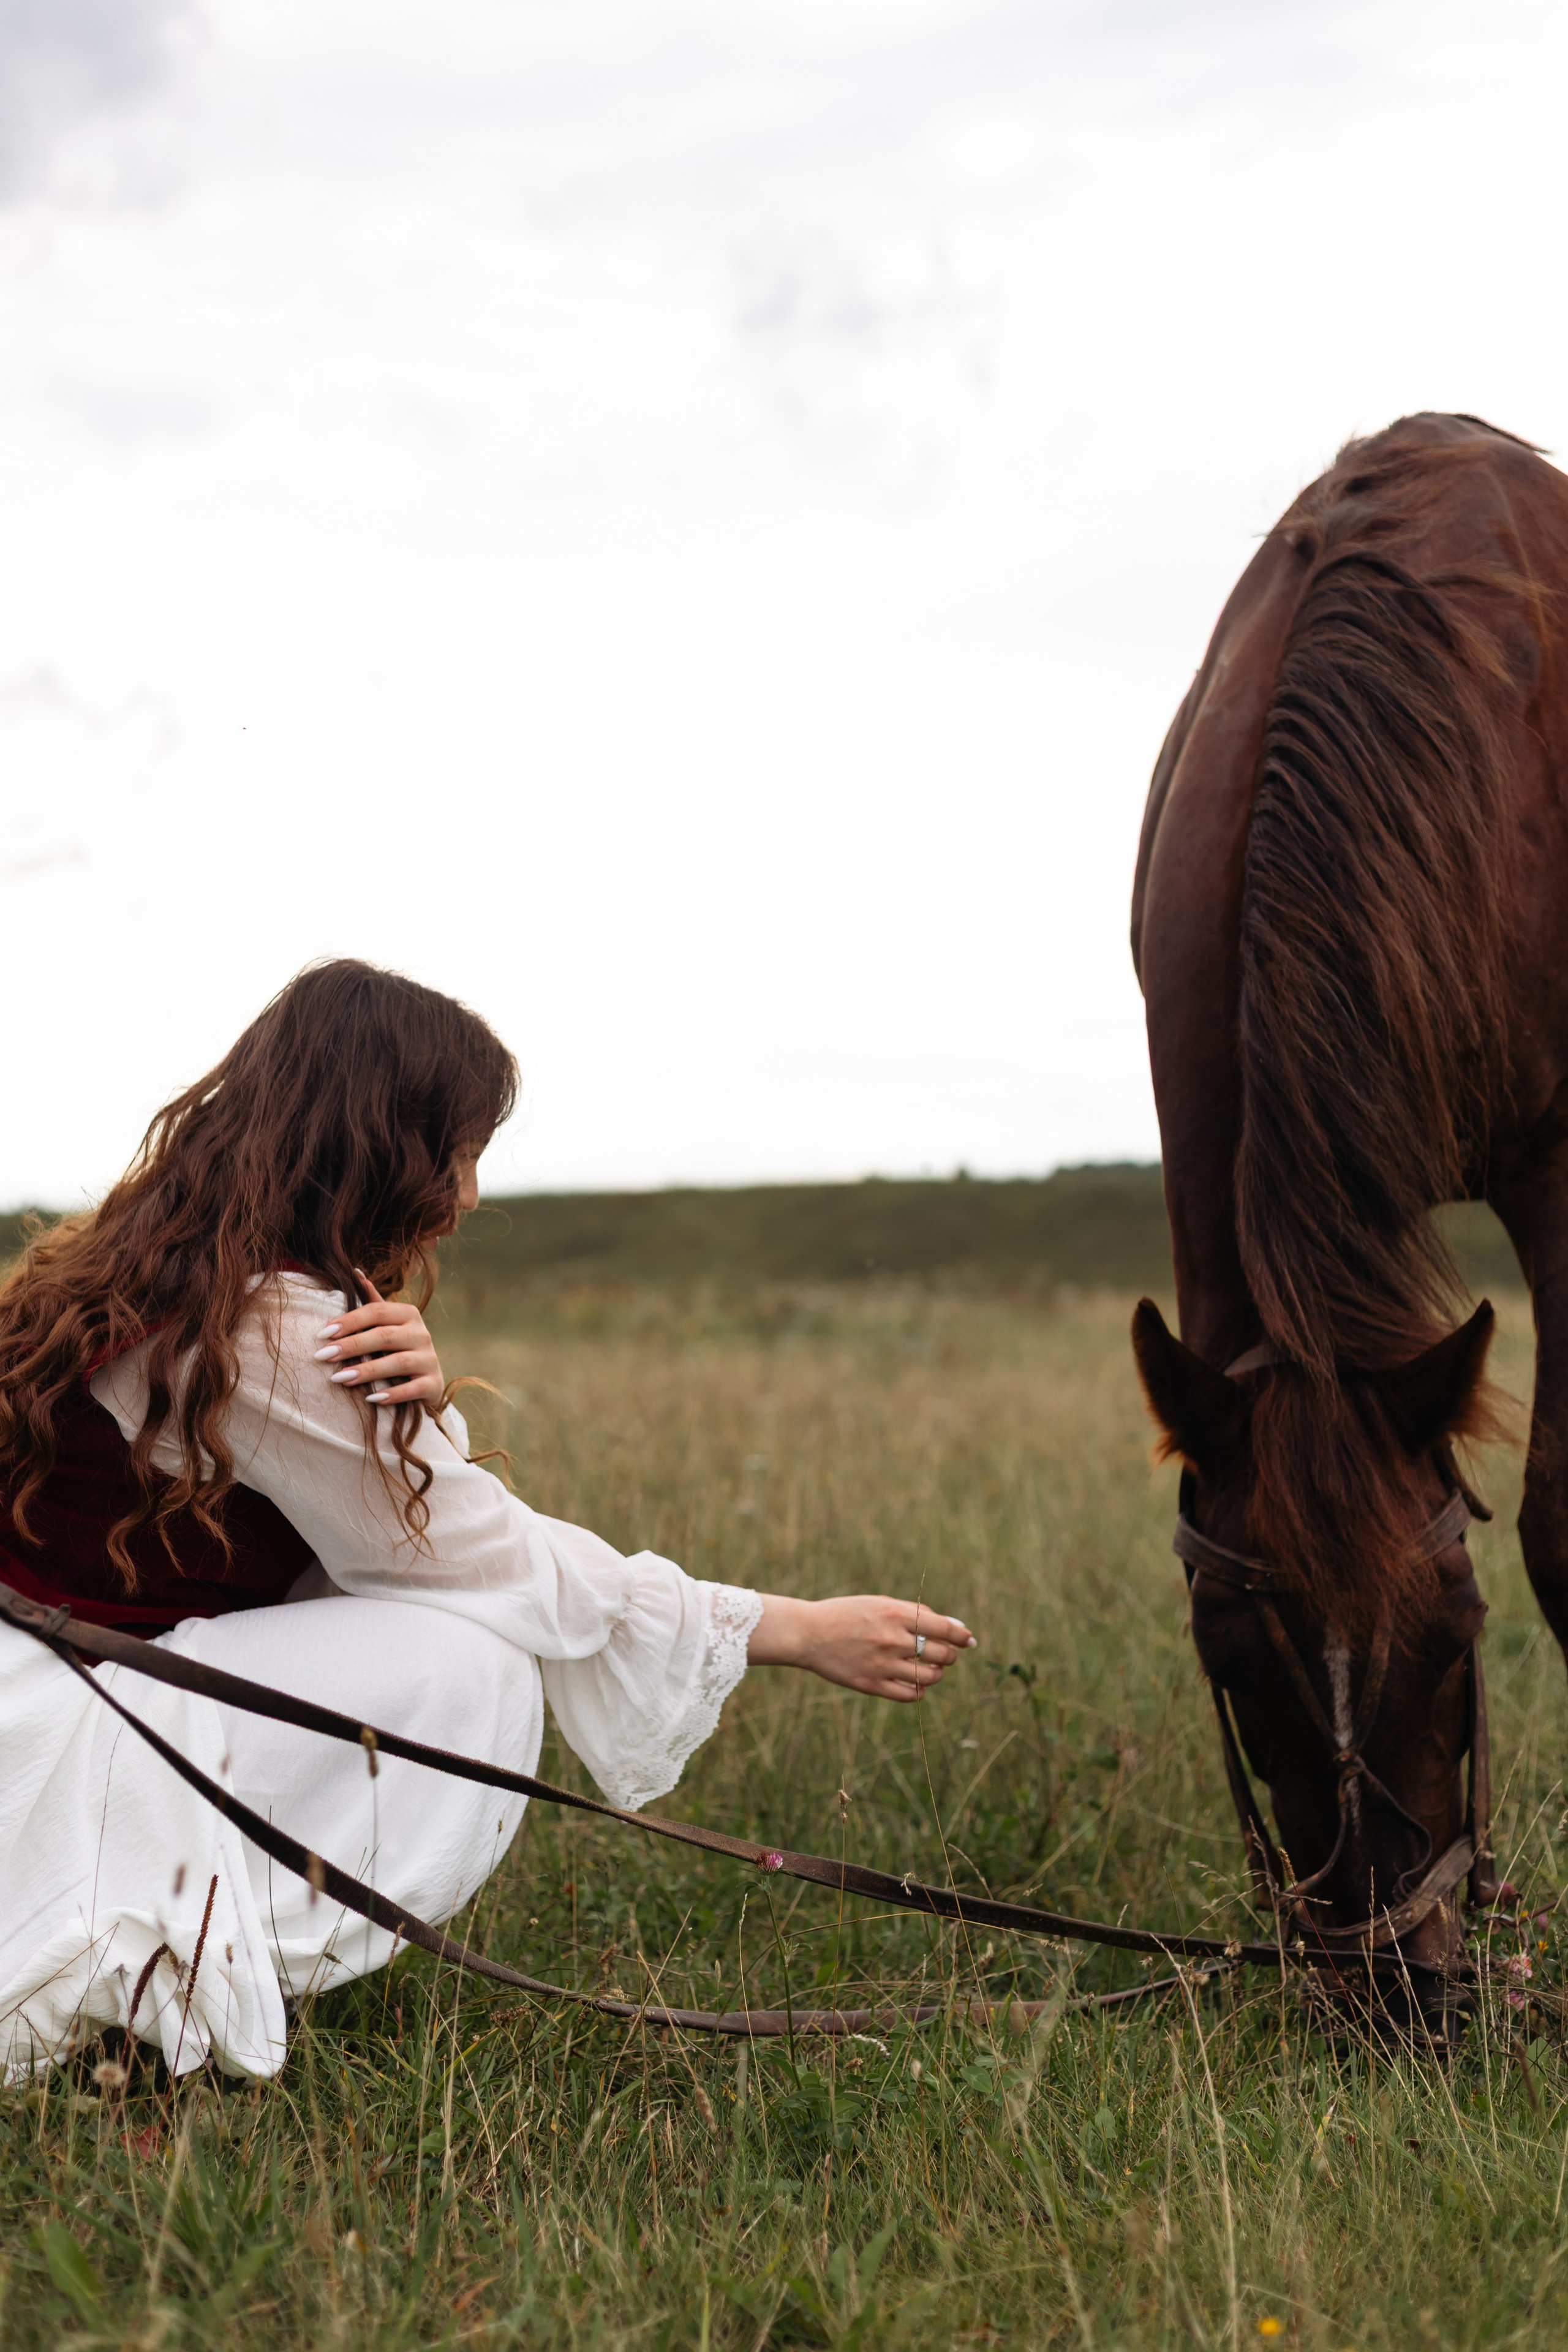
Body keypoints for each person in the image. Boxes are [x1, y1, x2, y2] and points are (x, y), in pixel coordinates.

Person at [0, 962, 973, 2079]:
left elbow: (387, 1542)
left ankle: (161, 1982)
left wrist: (416, 1410)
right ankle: (150, 2008)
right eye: (456, 1156)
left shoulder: (177, 1269)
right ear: (378, 1149)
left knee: (445, 1635)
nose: (465, 1199)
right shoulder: (273, 1323)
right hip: (44, 1733)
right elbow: (468, 1558)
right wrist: (783, 1626)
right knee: (474, 1669)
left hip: (44, 1692)